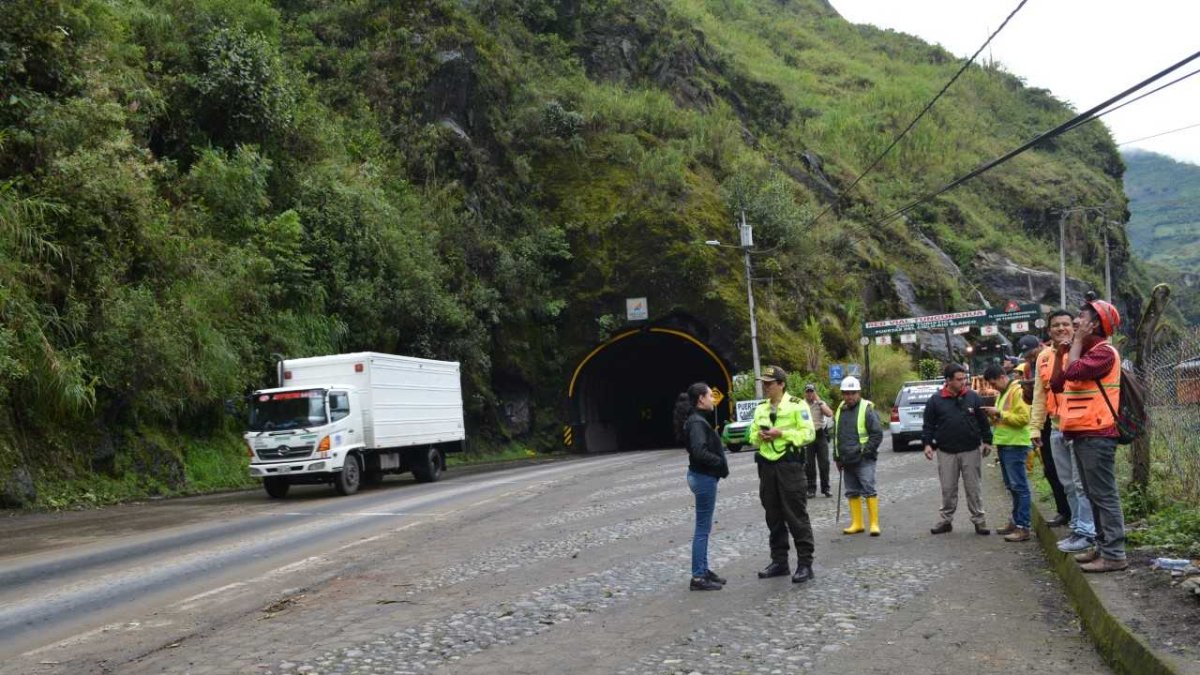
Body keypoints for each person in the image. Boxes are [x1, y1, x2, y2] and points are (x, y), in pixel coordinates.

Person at [1051, 296, 1128, 573]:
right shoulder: (1082, 351)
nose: (1075, 321)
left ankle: (1115, 554)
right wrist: (1061, 353)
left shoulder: (1104, 353)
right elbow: (1057, 384)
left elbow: (1074, 372)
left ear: (1094, 324)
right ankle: (1103, 547)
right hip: (1082, 433)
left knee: (1104, 495)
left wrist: (1075, 345)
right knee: (1094, 495)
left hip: (1098, 433)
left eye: (1081, 318)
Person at [1030, 310, 1097, 553]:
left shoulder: (1086, 350)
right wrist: (1035, 427)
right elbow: (1040, 394)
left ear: (1074, 327)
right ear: (1049, 331)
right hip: (1057, 427)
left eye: (1065, 324)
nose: (1061, 328)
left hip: (1080, 428)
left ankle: (1087, 531)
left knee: (1081, 484)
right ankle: (1077, 527)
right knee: (1067, 483)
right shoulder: (1043, 357)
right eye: (1056, 325)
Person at [748, 365, 818, 583]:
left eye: (769, 383)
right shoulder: (761, 408)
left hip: (790, 467)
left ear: (781, 384)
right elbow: (751, 435)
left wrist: (782, 434)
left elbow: (808, 434)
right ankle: (779, 562)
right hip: (767, 468)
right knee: (773, 516)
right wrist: (760, 436)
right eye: (764, 383)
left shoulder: (797, 405)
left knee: (796, 515)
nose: (766, 387)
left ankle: (805, 564)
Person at [923, 362, 994, 535]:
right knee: (948, 489)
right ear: (948, 380)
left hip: (970, 450)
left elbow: (983, 422)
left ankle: (979, 521)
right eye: (959, 379)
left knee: (973, 488)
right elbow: (928, 425)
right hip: (946, 451)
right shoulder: (935, 400)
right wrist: (927, 444)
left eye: (964, 379)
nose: (963, 382)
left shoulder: (973, 397)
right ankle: (946, 520)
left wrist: (987, 441)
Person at [674, 382, 730, 591]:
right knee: (702, 529)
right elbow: (699, 451)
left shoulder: (696, 419)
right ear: (700, 399)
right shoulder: (697, 422)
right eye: (710, 396)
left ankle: (703, 570)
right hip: (703, 477)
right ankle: (698, 576)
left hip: (701, 475)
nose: (713, 399)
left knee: (703, 528)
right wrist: (719, 462)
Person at [1017, 333, 1072, 527]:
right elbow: (1035, 398)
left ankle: (1077, 516)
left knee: (1071, 472)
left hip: (1063, 417)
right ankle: (1063, 511)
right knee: (1050, 468)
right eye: (1027, 356)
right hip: (1045, 420)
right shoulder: (1029, 367)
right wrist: (1027, 391)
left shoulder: (1059, 355)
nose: (1030, 358)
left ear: (1040, 346)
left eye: (1032, 353)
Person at [982, 364, 1033, 542]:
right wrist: (994, 415)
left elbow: (1024, 418)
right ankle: (1016, 521)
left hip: (1016, 444)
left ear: (1002, 377)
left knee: (1019, 487)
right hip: (1005, 443)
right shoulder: (1003, 393)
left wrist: (999, 413)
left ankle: (1023, 527)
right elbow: (1005, 416)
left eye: (993, 383)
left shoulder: (1018, 391)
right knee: (1012, 486)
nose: (993, 387)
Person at [832, 376, 884, 536]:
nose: (849, 396)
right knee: (852, 491)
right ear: (842, 394)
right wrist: (837, 457)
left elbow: (877, 434)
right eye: (846, 393)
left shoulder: (866, 409)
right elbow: (837, 436)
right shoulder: (840, 409)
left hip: (863, 459)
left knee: (869, 489)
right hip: (846, 459)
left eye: (853, 393)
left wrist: (865, 452)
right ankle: (858, 523)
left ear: (858, 393)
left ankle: (874, 524)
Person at [803, 383, 835, 498]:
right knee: (809, 465)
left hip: (820, 435)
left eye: (811, 391)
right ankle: (811, 489)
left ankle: (826, 488)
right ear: (804, 393)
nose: (809, 394)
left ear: (815, 392)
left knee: (824, 463)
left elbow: (829, 414)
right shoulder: (801, 405)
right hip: (807, 436)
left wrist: (819, 401)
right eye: (807, 391)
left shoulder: (820, 403)